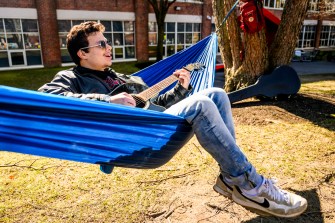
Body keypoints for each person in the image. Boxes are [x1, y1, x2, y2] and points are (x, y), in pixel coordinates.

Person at [38, 21, 307, 218]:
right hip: (125, 141)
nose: (109, 47)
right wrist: (107, 100)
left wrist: (180, 89)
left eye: (108, 42)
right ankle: (248, 184)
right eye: (102, 44)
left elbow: (156, 106)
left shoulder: (125, 80)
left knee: (215, 93)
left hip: (152, 128)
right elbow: (47, 99)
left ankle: (234, 178)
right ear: (82, 54)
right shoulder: (71, 78)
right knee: (202, 102)